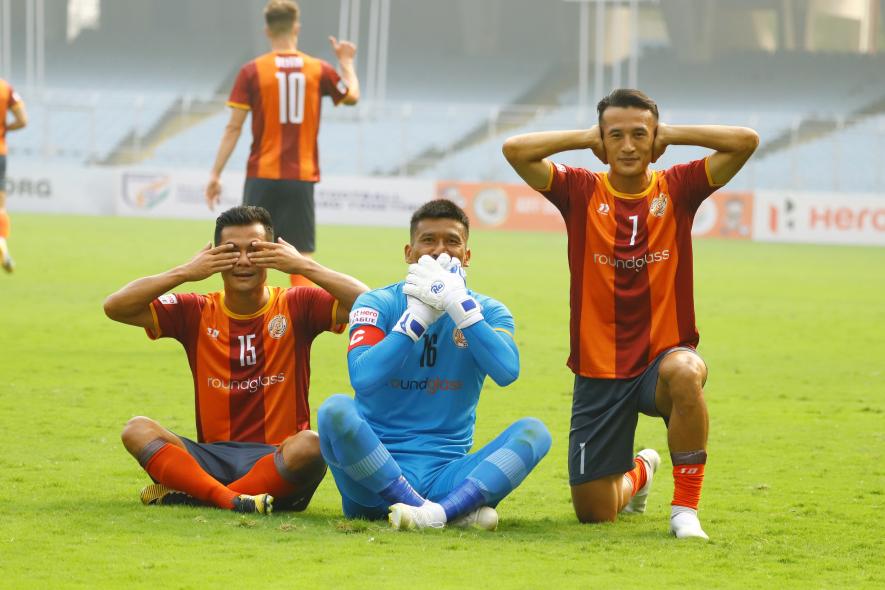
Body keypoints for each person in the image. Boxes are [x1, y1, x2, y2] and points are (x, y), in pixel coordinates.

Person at [503, 89, 758, 539]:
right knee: (595, 513)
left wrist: (672, 134)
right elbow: (515, 150)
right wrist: (585, 137)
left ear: (653, 138)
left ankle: (684, 511)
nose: (627, 146)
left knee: (686, 370)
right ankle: (642, 470)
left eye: (639, 135)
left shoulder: (678, 188)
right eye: (614, 135)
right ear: (602, 140)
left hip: (660, 361)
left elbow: (746, 140)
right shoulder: (579, 191)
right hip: (599, 368)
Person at [104, 205, 368, 514]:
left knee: (311, 444)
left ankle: (203, 494)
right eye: (232, 251)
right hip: (212, 457)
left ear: (272, 252)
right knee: (136, 430)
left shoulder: (298, 304)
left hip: (279, 460)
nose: (243, 261)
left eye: (254, 251)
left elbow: (367, 304)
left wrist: (304, 266)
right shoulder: (196, 311)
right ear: (214, 257)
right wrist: (185, 272)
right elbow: (116, 307)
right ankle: (231, 499)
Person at [317, 199, 552, 531]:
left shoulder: (489, 311)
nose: (441, 250)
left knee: (535, 433)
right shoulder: (379, 303)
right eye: (428, 240)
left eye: (452, 241)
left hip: (447, 472)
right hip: (373, 477)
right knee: (334, 411)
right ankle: (448, 512)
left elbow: (507, 372)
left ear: (467, 255)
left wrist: (461, 308)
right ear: (409, 252)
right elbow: (364, 377)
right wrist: (416, 319)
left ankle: (434, 514)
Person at [205, 0, 359, 288]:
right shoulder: (318, 68)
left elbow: (233, 127)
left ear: (267, 31)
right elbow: (351, 96)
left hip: (262, 175)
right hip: (300, 178)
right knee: (300, 262)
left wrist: (215, 174)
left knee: (247, 254)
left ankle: (248, 326)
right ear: (296, 27)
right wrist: (347, 62)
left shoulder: (252, 71)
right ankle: (302, 327)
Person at [0, 78, 27, 273]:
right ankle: (2, 242)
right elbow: (23, 120)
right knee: (0, 205)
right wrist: (5, 129)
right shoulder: (5, 88)